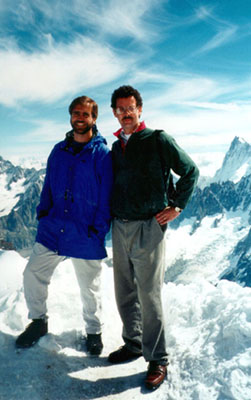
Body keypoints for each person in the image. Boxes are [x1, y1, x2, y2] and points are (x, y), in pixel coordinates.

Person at [108, 85, 199, 389]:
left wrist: (176, 206)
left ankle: (157, 357)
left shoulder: (158, 139)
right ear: (114, 112)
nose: (125, 114)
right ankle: (133, 343)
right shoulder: (116, 147)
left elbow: (190, 171)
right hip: (119, 227)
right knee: (124, 292)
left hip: (149, 226)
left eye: (130, 108)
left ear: (140, 109)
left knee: (149, 295)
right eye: (120, 109)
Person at [16, 96, 113, 356]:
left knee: (90, 287)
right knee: (32, 274)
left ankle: (94, 332)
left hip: (85, 232)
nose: (80, 118)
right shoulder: (58, 151)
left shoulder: (102, 154)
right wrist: (43, 213)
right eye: (76, 113)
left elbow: (107, 196)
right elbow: (48, 185)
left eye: (86, 114)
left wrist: (99, 230)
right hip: (53, 228)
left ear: (94, 119)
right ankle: (38, 322)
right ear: (71, 116)